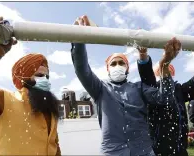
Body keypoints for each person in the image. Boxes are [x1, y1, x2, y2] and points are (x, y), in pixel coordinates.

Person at [71, 15, 179, 156]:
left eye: (121, 63)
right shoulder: (99, 89)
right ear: (108, 69)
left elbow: (165, 98)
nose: (118, 66)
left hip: (143, 151)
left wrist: (164, 65)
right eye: (113, 63)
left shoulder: (139, 87)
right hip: (113, 152)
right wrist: (79, 39)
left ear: (127, 69)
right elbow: (82, 70)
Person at [0, 17, 61, 155]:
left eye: (47, 76)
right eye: (39, 76)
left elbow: (55, 147)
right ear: (23, 78)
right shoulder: (1, 100)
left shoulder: (50, 110)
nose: (45, 80)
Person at [137, 46, 194, 156]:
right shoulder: (151, 89)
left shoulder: (179, 90)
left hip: (180, 146)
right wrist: (143, 57)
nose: (167, 71)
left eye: (170, 70)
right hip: (158, 149)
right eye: (162, 69)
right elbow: (147, 77)